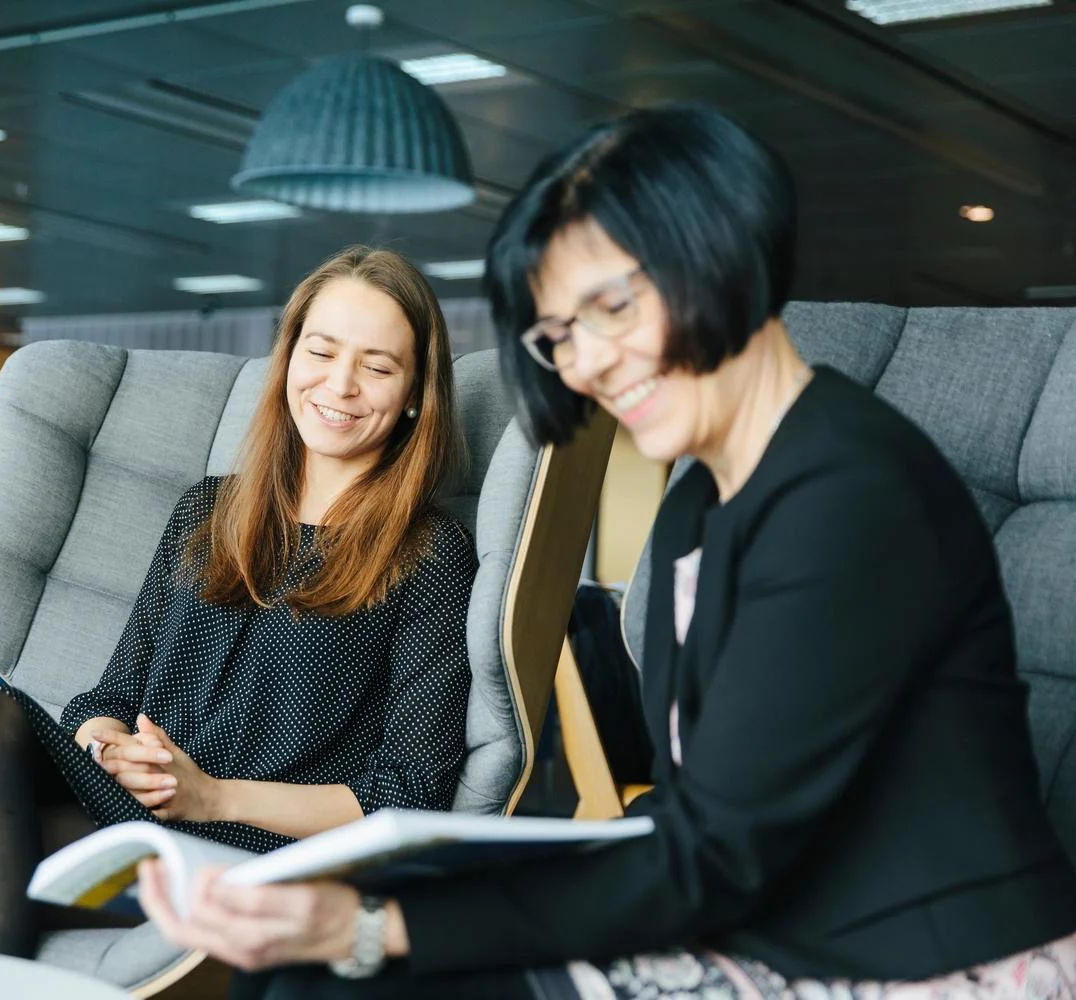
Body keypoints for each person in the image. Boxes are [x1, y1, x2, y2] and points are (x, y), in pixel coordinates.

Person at [137, 104, 1076, 999]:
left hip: (915, 960)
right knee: (315, 965)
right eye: (560, 336)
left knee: (348, 966)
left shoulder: (847, 487)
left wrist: (377, 923)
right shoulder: (699, 502)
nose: (583, 364)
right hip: (770, 922)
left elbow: (716, 855)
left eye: (612, 308)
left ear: (717, 258)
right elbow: (694, 814)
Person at [0, 246, 478, 957]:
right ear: (289, 359)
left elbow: (408, 793)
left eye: (378, 367)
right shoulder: (207, 511)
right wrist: (110, 747)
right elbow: (108, 696)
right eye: (321, 352)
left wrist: (212, 795)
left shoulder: (430, 554)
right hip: (139, 815)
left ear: (415, 393)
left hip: (259, 849)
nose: (340, 384)